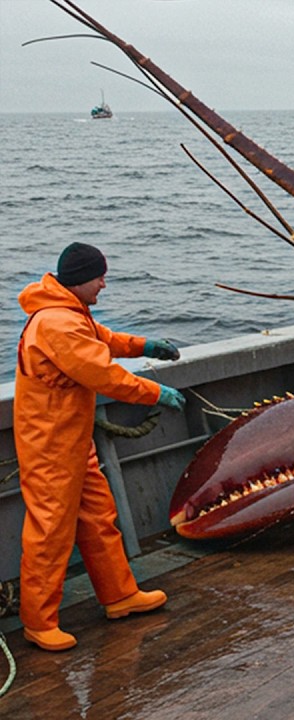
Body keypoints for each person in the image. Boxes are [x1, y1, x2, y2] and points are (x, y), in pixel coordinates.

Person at [14, 242, 185, 652]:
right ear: (81, 279)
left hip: (73, 442)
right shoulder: (56, 322)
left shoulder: (69, 311)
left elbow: (100, 340)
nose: (104, 284)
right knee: (50, 532)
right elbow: (102, 374)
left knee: (98, 517)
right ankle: (38, 622)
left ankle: (119, 595)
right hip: (50, 446)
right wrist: (154, 392)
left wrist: (142, 345)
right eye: (100, 277)